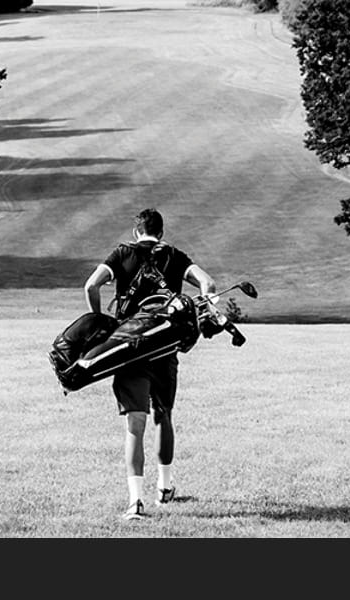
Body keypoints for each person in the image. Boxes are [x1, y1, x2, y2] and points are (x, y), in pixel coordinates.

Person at [83, 207, 216, 523]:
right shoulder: (173, 255)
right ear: (162, 233)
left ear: (136, 232)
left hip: (129, 351)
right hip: (165, 349)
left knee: (135, 423)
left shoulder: (122, 253)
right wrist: (205, 307)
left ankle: (134, 503)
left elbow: (91, 286)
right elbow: (208, 284)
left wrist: (102, 323)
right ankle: (165, 488)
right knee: (164, 415)